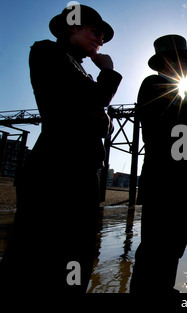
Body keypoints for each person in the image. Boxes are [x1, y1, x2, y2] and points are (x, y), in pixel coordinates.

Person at [0, 5, 122, 293]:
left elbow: (99, 118)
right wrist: (108, 71)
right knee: (34, 253)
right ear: (72, 27)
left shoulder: (79, 69)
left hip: (80, 170)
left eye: (102, 38)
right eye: (95, 32)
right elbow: (98, 101)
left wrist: (97, 110)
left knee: (77, 251)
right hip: (55, 169)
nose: (99, 41)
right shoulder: (47, 52)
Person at [130, 34, 187, 294]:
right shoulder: (152, 84)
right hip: (164, 181)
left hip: (183, 181)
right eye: (183, 61)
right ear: (166, 61)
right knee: (155, 248)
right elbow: (172, 118)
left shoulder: (179, 91)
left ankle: (163, 289)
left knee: (173, 248)